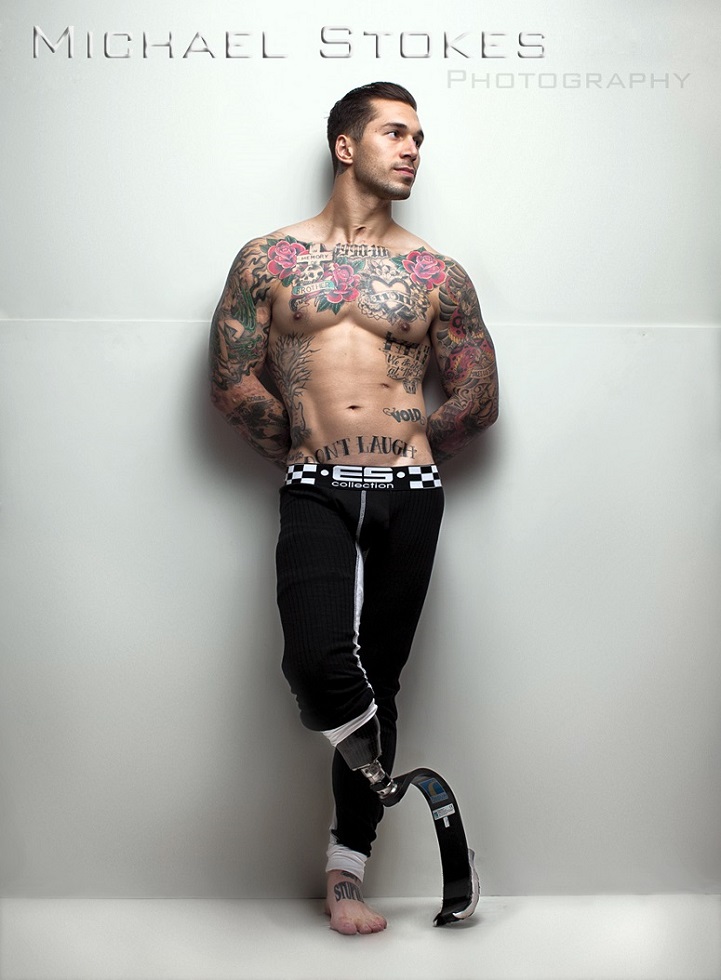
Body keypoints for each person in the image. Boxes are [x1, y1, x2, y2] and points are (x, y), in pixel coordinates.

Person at [209, 81, 499, 935]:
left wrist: (409, 445)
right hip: (316, 485)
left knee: (382, 677)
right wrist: (306, 446)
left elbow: (477, 395)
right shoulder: (268, 260)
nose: (412, 149)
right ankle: (386, 778)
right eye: (395, 133)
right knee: (317, 663)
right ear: (346, 145)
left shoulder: (436, 273)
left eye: (419, 138)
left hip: (411, 494)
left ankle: (346, 875)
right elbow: (232, 379)